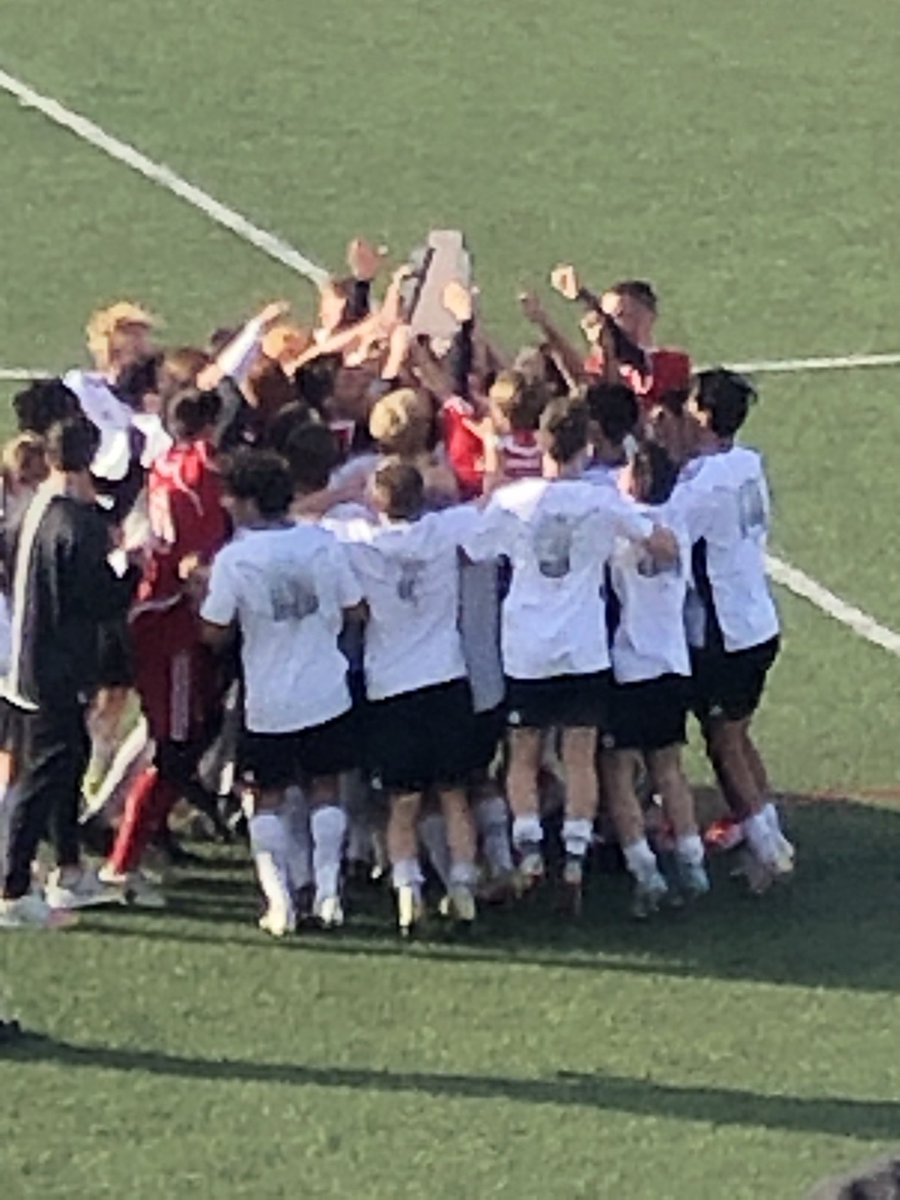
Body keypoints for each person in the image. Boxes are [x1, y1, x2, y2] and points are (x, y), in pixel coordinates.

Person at [463, 394, 678, 910]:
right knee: (580, 754)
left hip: (527, 645)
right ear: (585, 444)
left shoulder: (514, 501)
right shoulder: (602, 501)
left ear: (540, 442)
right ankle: (576, 856)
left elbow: (473, 548)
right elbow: (661, 544)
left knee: (524, 752)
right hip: (584, 646)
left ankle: (531, 848)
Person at [200, 450, 363, 936]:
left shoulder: (234, 558)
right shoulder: (322, 543)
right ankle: (329, 894)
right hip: (326, 687)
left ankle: (280, 903)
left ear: (249, 502)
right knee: (325, 788)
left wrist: (198, 594)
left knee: (265, 796)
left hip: (269, 698)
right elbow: (357, 609)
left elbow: (213, 631)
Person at [334, 460, 488, 935]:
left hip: (391, 686)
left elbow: (314, 524)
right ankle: (462, 886)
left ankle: (407, 892)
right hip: (446, 676)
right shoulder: (445, 531)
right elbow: (485, 504)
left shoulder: (359, 542)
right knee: (454, 795)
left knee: (402, 804)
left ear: (377, 501)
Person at [0, 416, 140, 928]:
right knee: (45, 774)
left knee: (66, 762)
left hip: (21, 657)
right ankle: (12, 888)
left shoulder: (25, 508)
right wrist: (135, 566)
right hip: (55, 667)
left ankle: (67, 869)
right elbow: (104, 600)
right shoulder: (79, 525)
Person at [670, 368, 793, 889]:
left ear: (702, 415)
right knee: (737, 734)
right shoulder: (747, 463)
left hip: (725, 633)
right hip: (757, 620)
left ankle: (768, 846)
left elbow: (666, 535)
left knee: (723, 741)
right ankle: (769, 830)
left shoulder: (700, 486)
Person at [602, 441, 708, 916]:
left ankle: (644, 867)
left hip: (631, 665)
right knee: (668, 767)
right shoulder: (678, 520)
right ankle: (692, 859)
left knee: (619, 771)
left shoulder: (622, 528)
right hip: (673, 660)